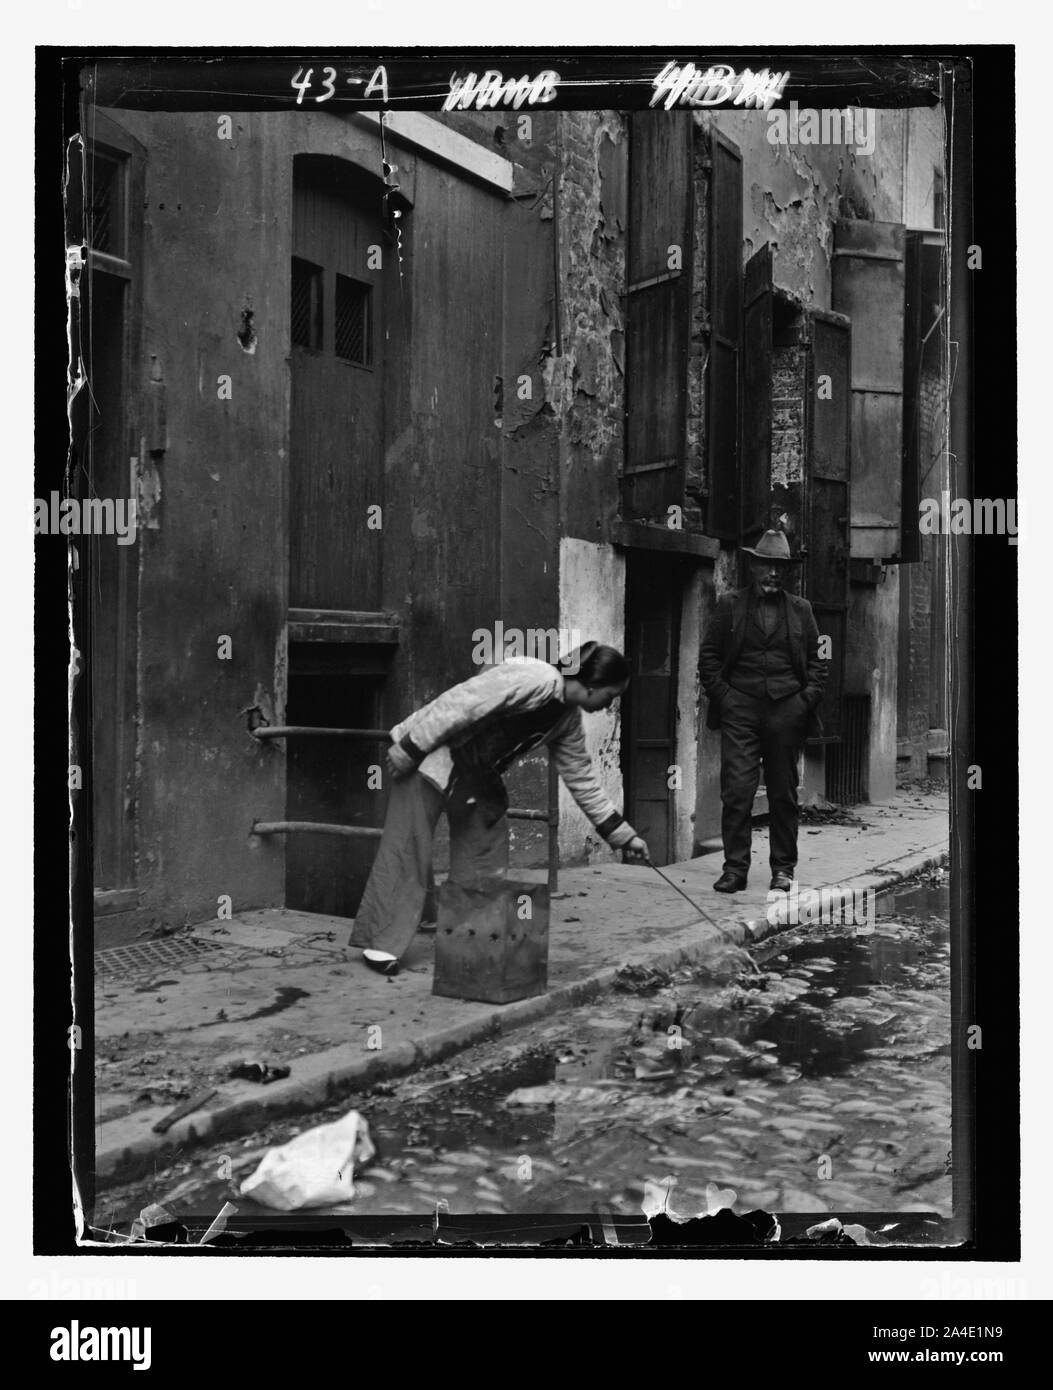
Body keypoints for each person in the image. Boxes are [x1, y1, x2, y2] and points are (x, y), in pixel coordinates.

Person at [351, 641, 651, 975]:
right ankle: (381, 944)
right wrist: (410, 747)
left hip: (477, 774)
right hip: (432, 753)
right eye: (610, 696)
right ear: (592, 685)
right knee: (409, 845)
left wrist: (623, 836)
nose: (608, 705)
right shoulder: (537, 678)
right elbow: (464, 701)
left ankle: (469, 940)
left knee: (486, 850)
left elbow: (582, 779)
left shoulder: (566, 721)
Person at [698, 529, 828, 894]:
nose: (773, 573)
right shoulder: (730, 605)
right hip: (740, 710)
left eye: (779, 567)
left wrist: (804, 703)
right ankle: (735, 869)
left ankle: (783, 870)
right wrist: (725, 698)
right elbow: (708, 657)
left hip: (787, 711)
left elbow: (819, 662)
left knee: (783, 794)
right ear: (753, 566)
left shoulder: (802, 610)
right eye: (766, 565)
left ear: (786, 572)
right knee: (737, 791)